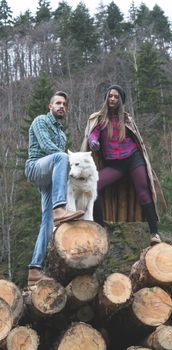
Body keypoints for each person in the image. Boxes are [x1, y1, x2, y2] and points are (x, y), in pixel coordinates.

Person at [80, 84, 167, 244]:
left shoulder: (126, 119)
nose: (113, 99)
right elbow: (93, 134)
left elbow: (136, 139)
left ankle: (154, 233)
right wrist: (93, 142)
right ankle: (101, 228)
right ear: (106, 98)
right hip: (114, 165)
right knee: (93, 185)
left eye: (116, 97)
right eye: (110, 96)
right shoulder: (99, 118)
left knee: (143, 191)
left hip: (133, 158)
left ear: (120, 101)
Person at [25, 91, 84, 285]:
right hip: (35, 168)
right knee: (61, 157)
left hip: (49, 177)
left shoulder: (61, 134)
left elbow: (58, 162)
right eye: (58, 103)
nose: (61, 106)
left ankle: (35, 269)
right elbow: (47, 147)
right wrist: (68, 161)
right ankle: (60, 208)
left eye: (64, 104)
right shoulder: (41, 120)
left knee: (47, 223)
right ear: (50, 106)